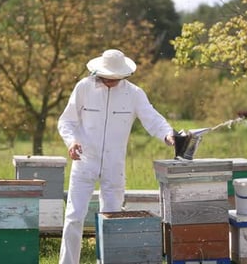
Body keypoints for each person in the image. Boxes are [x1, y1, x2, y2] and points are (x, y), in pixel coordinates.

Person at [57, 49, 175, 264]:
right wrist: (71, 141)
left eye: (115, 77)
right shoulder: (83, 87)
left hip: (114, 165)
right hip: (84, 162)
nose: (110, 81)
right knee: (73, 218)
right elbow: (66, 121)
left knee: (112, 220)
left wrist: (168, 135)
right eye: (107, 76)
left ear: (124, 74)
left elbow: (153, 119)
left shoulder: (135, 94)